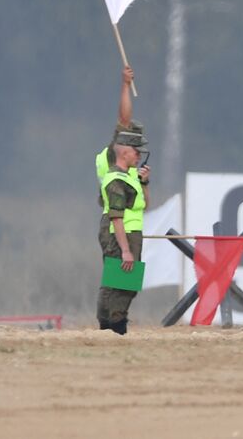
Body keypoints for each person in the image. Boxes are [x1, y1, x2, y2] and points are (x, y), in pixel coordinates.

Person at [97, 123, 149, 334]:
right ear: (125, 152)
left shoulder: (130, 176)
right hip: (121, 236)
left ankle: (116, 324)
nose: (139, 156)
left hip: (131, 234)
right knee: (118, 284)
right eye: (136, 152)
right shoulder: (116, 179)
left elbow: (145, 204)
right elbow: (116, 218)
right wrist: (125, 250)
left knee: (128, 284)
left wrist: (145, 182)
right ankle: (112, 326)